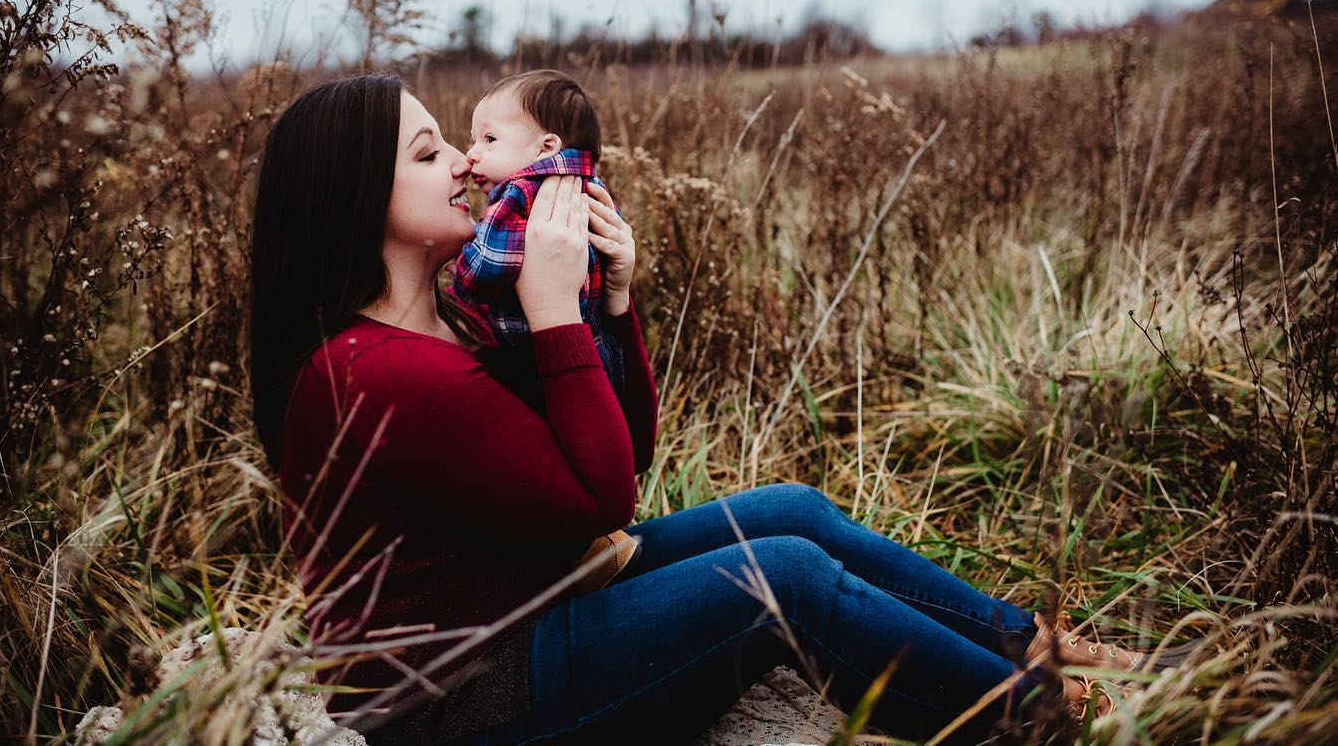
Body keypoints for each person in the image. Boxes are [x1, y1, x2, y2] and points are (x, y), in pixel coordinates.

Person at [249, 73, 1168, 746]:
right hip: (469, 701)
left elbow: (617, 452)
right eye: (427, 154)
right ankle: (1038, 724)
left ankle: (1034, 646)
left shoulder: (451, 316)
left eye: (451, 141)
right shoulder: (370, 371)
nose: (461, 163)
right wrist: (552, 310)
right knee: (781, 581)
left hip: (543, 596)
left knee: (791, 514)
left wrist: (611, 309)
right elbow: (600, 502)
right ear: (360, 197)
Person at [452, 69, 623, 396]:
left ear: (545, 147)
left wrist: (459, 269)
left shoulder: (518, 193)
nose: (471, 154)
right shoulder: (591, 187)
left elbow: (483, 270)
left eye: (489, 140)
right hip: (600, 347)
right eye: (474, 140)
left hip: (535, 356)